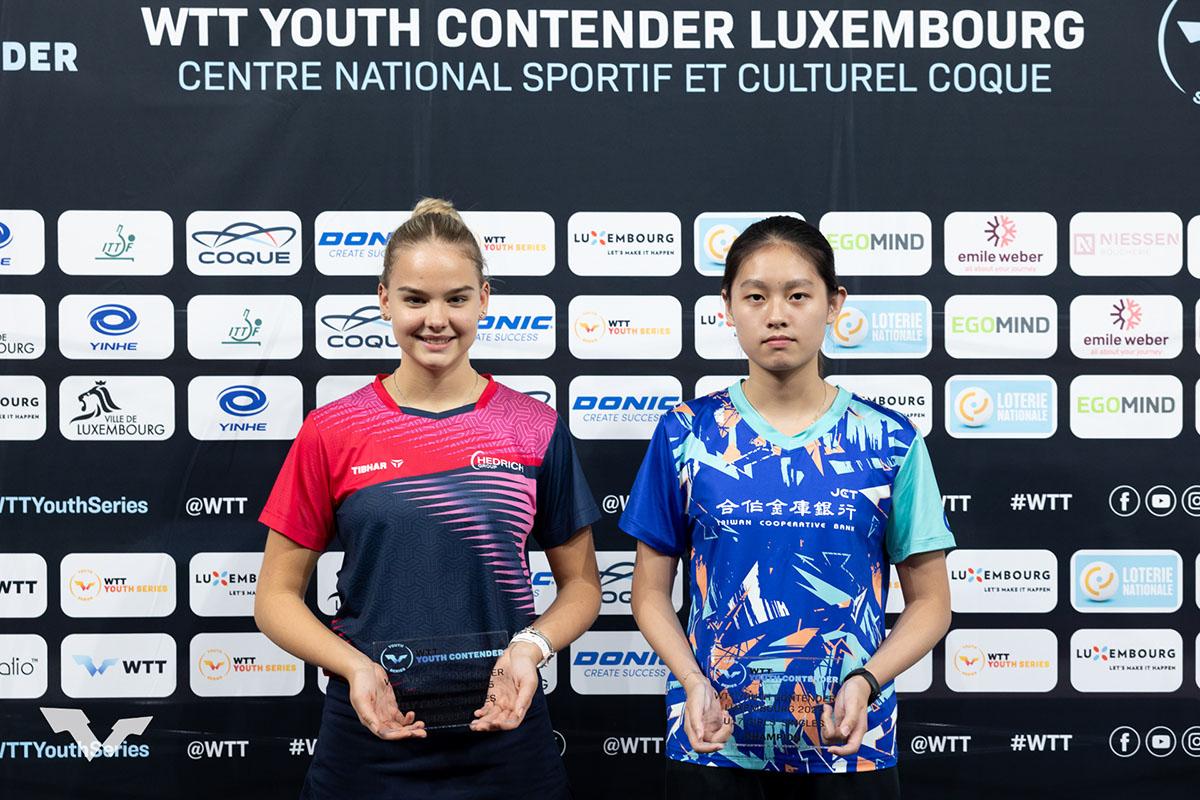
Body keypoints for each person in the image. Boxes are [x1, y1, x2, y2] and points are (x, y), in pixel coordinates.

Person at [254, 198, 602, 799]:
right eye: (415, 299)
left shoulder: (533, 427)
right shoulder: (333, 430)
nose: (436, 320)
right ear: (384, 300)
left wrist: (530, 648)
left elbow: (583, 587)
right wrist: (355, 667)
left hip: (507, 732)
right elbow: (274, 598)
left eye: (456, 299)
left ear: (484, 299)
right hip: (371, 735)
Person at [622, 216, 954, 799]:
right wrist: (692, 681)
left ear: (834, 304)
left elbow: (931, 603)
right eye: (756, 296)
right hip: (712, 744)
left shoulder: (890, 439)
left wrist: (866, 681)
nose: (776, 315)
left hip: (850, 748)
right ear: (728, 307)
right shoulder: (685, 433)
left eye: (798, 295)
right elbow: (649, 593)